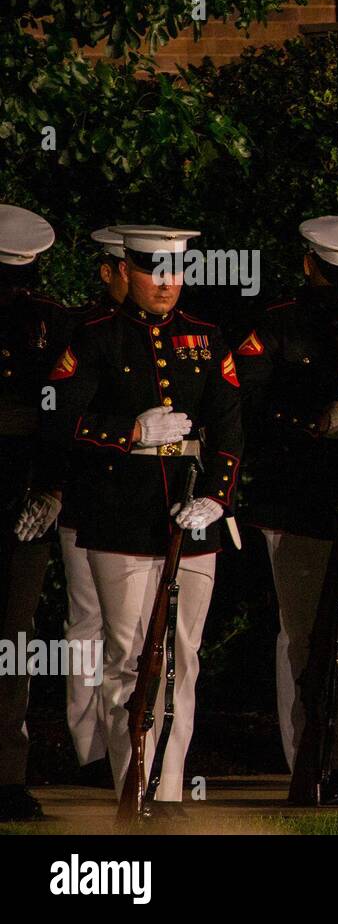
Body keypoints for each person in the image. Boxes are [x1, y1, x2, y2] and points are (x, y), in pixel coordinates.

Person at [41, 223, 243, 818]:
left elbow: (230, 425)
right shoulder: (94, 335)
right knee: (129, 656)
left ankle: (169, 786)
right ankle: (133, 785)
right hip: (120, 514)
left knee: (184, 657)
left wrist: (218, 497)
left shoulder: (206, 337)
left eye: (176, 272)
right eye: (155, 272)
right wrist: (127, 433)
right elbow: (59, 418)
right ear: (126, 271)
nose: (167, 284)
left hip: (190, 512)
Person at [236, 215, 338, 804]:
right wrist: (309, 423)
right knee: (305, 635)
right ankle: (307, 755)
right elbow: (248, 408)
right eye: (335, 280)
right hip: (298, 498)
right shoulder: (275, 325)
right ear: (310, 266)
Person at [1, 205, 66, 821]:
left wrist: (51, 489)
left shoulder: (51, 324)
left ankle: (7, 774)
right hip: (24, 495)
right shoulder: (48, 319)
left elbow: (65, 416)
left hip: (23, 500)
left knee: (15, 643)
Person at [58, 227, 129, 789]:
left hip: (145, 506)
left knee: (132, 632)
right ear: (108, 273)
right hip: (90, 498)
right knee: (89, 624)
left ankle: (130, 743)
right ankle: (90, 748)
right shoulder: (83, 330)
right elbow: (63, 421)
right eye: (127, 267)